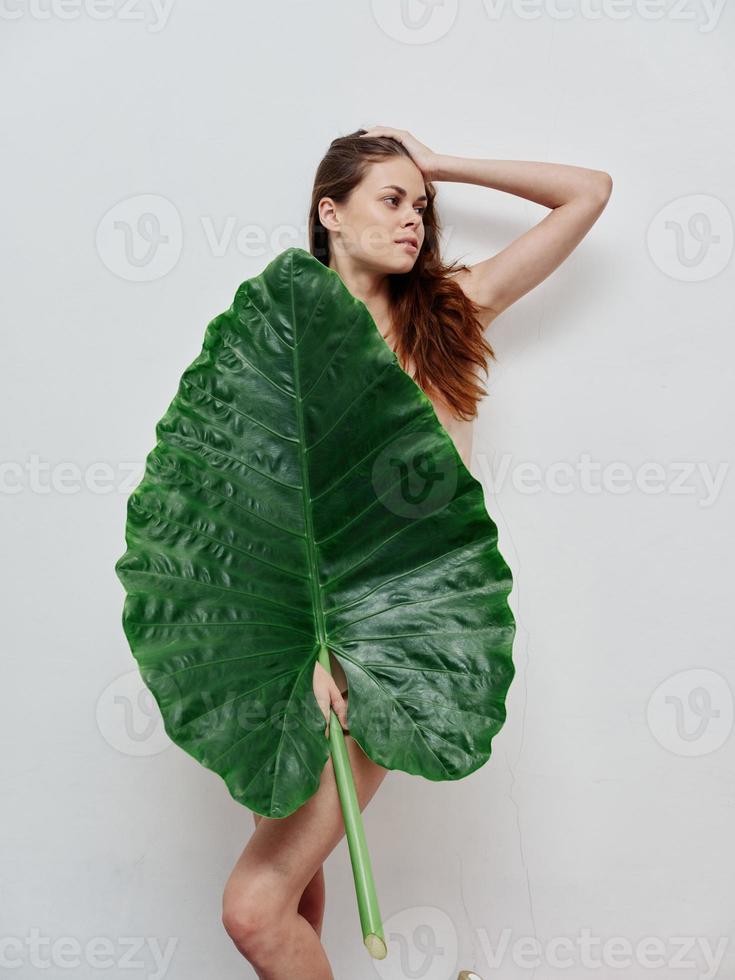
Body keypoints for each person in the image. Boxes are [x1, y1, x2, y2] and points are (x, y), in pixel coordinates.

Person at [221, 126, 612, 978]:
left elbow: (587, 191)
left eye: (421, 207)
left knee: (252, 910)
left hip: (394, 635)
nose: (413, 220)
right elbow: (257, 511)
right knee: (296, 897)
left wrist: (438, 163)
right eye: (391, 200)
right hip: (297, 641)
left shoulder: (448, 310)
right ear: (330, 212)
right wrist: (296, 646)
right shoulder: (284, 345)